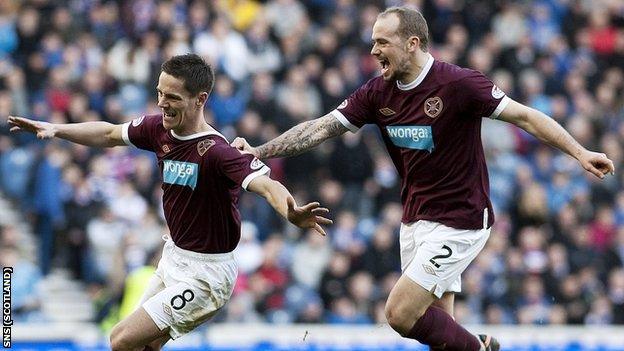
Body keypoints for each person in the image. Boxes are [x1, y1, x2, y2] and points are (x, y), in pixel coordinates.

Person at [232, 6, 615, 351]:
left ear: (412, 43)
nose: (373, 51)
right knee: (440, 333)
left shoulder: (459, 84)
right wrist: (260, 151)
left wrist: (580, 152)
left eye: (382, 42)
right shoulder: (376, 92)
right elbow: (321, 128)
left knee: (400, 314)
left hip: (461, 219)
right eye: (372, 42)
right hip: (415, 218)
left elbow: (526, 116)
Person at [8, 53, 332, 351]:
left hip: (207, 275)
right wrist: (56, 129)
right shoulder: (158, 130)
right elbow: (108, 134)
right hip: (174, 257)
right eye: (159, 93)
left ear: (200, 99)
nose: (162, 103)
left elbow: (265, 185)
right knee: (143, 347)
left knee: (120, 339)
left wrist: (291, 212)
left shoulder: (218, 152)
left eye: (172, 97)